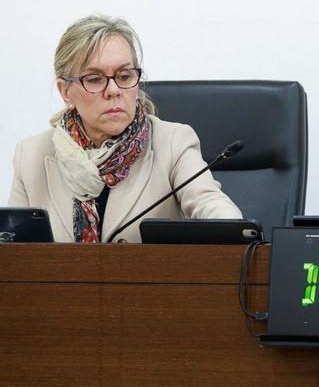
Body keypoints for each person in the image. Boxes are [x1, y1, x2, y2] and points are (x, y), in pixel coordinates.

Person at [8, 15, 241, 243]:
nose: (113, 90)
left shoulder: (173, 143)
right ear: (65, 91)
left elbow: (210, 204)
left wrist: (232, 230)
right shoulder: (31, 155)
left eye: (124, 76)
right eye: (95, 79)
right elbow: (10, 251)